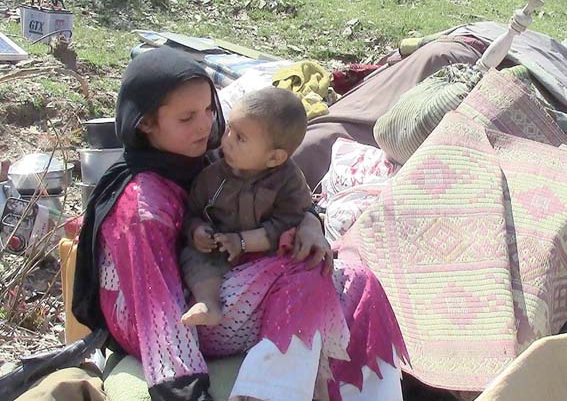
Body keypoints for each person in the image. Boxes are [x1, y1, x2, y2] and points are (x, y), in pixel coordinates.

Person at [73, 47, 407, 401]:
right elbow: (158, 312)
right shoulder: (142, 205)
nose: (205, 125)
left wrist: (310, 223)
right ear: (145, 124)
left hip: (214, 278)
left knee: (361, 282)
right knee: (307, 276)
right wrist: (185, 390)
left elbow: (282, 192)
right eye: (187, 118)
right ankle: (266, 392)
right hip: (167, 315)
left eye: (207, 109)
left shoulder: (206, 153)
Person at [180, 87, 311, 327]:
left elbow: (290, 221)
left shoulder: (289, 182)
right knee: (193, 256)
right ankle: (208, 304)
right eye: (229, 129)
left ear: (274, 158)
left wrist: (241, 241)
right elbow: (192, 212)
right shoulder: (212, 174)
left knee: (298, 262)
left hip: (265, 253)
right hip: (218, 252)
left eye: (240, 138)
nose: (227, 140)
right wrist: (197, 231)